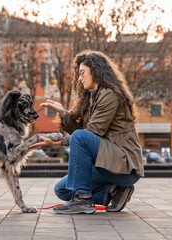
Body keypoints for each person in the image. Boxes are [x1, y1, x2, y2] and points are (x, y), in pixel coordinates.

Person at [29, 50, 144, 214]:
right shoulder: (91, 98)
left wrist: (56, 142)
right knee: (62, 190)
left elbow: (91, 133)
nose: (79, 78)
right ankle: (113, 191)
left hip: (125, 166)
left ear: (96, 71)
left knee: (80, 140)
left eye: (82, 73)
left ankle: (83, 200)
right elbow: (84, 136)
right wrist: (63, 114)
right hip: (107, 163)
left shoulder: (110, 95)